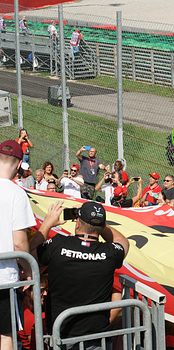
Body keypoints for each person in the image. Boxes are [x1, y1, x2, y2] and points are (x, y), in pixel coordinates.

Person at [30, 200, 129, 347]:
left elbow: (30, 257)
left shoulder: (57, 244)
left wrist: (47, 223)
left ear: (77, 223)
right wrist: (99, 224)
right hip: (97, 337)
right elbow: (123, 242)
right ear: (101, 227)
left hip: (61, 336)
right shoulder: (110, 253)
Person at [0, 140, 36, 349]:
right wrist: (29, 269)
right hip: (5, 278)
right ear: (17, 165)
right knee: (6, 335)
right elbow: (19, 243)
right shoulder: (16, 193)